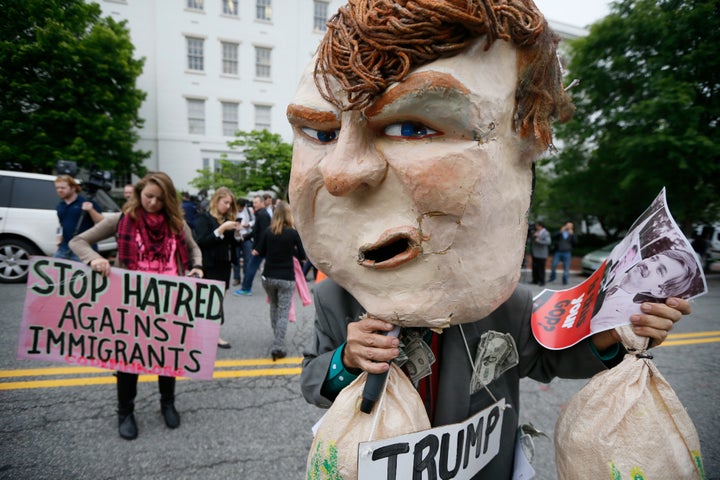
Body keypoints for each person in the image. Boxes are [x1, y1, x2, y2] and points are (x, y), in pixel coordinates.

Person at [287, 1, 692, 477]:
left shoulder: (509, 304)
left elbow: (551, 358)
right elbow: (314, 381)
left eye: (413, 128)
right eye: (321, 131)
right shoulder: (337, 299)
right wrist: (346, 359)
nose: (339, 174)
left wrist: (615, 331)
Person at [69, 172, 203, 441]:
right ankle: (125, 411)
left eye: (160, 199)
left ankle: (168, 403)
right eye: (148, 197)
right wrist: (94, 259)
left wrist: (197, 267)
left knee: (168, 358)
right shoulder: (122, 220)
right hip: (129, 304)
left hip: (168, 304)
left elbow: (194, 249)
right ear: (140, 193)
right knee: (128, 362)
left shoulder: (177, 224)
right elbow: (78, 241)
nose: (153, 203)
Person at [591, 249, 698, 334]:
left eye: (660, 270)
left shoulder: (621, 317)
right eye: (653, 259)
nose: (648, 264)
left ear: (660, 291)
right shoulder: (615, 272)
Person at [253, 201, 306, 360]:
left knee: (274, 307)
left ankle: (277, 336)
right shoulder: (293, 233)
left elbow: (258, 251)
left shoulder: (268, 232)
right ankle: (278, 345)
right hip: (286, 277)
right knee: (283, 311)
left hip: (268, 276)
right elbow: (303, 256)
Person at [193, 187, 239, 349]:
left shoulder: (225, 220)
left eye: (230, 204)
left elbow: (233, 244)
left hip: (224, 265)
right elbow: (202, 241)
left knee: (217, 302)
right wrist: (221, 229)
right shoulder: (203, 218)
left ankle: (211, 334)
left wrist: (238, 234)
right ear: (216, 201)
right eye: (225, 202)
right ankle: (210, 335)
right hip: (209, 265)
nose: (228, 206)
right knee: (207, 301)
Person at [54, 175, 104, 262]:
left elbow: (102, 222)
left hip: (84, 249)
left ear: (73, 188)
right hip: (64, 248)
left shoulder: (86, 202)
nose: (59, 190)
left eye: (63, 188)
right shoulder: (60, 206)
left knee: (82, 275)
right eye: (57, 188)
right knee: (54, 272)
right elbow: (61, 225)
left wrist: (91, 210)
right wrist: (58, 237)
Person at [234, 195, 270, 296]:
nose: (254, 205)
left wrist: (258, 248)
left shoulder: (263, 215)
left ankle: (246, 288)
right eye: (253, 203)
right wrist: (245, 237)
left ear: (262, 203)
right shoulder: (260, 214)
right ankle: (246, 288)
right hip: (259, 246)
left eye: (256, 203)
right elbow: (255, 231)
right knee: (252, 267)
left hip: (260, 248)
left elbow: (264, 233)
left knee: (251, 267)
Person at [232, 200, 255, 287]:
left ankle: (246, 278)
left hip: (247, 236)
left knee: (247, 259)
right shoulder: (233, 211)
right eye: (238, 207)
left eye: (241, 207)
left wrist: (247, 224)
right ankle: (236, 277)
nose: (239, 209)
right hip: (236, 236)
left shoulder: (249, 211)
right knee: (236, 259)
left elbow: (254, 221)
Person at [531, 221, 551, 286]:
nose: (536, 227)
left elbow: (548, 242)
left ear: (540, 226)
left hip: (542, 254)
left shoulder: (546, 233)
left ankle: (542, 281)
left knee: (541, 268)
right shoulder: (536, 232)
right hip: (535, 253)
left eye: (537, 225)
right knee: (534, 267)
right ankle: (535, 280)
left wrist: (539, 241)